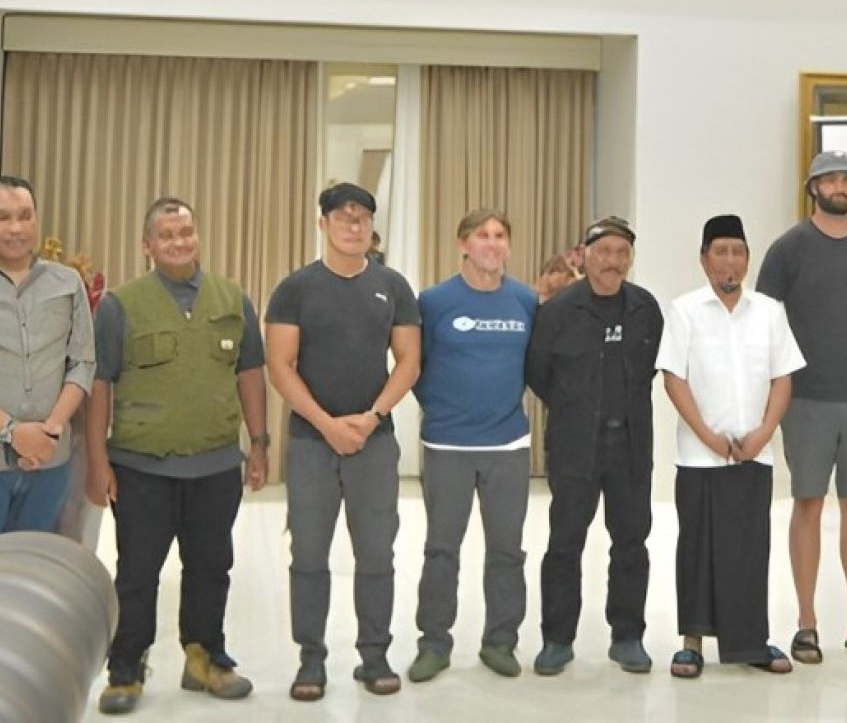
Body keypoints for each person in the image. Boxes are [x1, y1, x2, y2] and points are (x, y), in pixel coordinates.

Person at [87, 197, 268, 714]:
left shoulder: (232, 299)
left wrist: (258, 443)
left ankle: (204, 657)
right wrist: (99, 463)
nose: (179, 242)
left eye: (186, 232)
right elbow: (101, 385)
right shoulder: (120, 305)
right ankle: (126, 668)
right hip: (142, 467)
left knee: (212, 566)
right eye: (167, 235)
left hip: (215, 466)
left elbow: (250, 373)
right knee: (138, 572)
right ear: (147, 245)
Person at [265, 183, 420, 701]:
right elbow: (280, 367)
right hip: (311, 441)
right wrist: (326, 422)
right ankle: (311, 659)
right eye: (343, 217)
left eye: (363, 219)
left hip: (374, 442)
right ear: (323, 224)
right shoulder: (296, 288)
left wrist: (372, 417)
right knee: (308, 553)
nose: (354, 227)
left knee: (376, 553)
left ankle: (374, 655)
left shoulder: (393, 286)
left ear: (372, 227)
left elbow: (409, 362)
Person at [757, 150, 847, 665]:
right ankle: (806, 623)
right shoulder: (789, 248)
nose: (839, 186)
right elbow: (766, 320)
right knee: (809, 504)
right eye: (830, 178)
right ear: (813, 186)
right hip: (806, 398)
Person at [656, 214, 803, 678]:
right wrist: (706, 434)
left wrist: (762, 433)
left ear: (747, 259)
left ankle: (750, 642)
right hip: (701, 453)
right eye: (719, 251)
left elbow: (783, 378)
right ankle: (692, 643)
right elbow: (673, 378)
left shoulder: (769, 311)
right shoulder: (684, 310)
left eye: (738, 251)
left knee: (749, 548)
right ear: (704, 259)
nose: (729, 260)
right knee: (696, 547)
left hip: (753, 452)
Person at [526, 215, 663, 676]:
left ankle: (628, 636)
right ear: (584, 256)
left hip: (630, 448)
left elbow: (650, 370)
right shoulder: (558, 311)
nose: (613, 261)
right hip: (574, 448)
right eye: (604, 251)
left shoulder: (645, 309)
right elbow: (539, 374)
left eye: (623, 253)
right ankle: (557, 639)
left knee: (631, 543)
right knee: (565, 544)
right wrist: (575, 408)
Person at [407, 209, 537, 682]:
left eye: (500, 235)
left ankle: (501, 641)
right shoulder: (435, 301)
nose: (492, 243)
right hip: (447, 446)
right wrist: (443, 410)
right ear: (463, 243)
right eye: (482, 235)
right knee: (442, 549)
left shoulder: (525, 300)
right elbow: (414, 366)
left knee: (508, 550)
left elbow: (534, 366)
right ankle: (434, 645)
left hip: (508, 444)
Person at [0, 175, 95, 532]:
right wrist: (13, 433)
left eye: (25, 215)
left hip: (51, 461)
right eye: (3, 217)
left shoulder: (68, 282)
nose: (15, 228)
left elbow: (82, 363)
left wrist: (50, 431)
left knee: (33, 569)